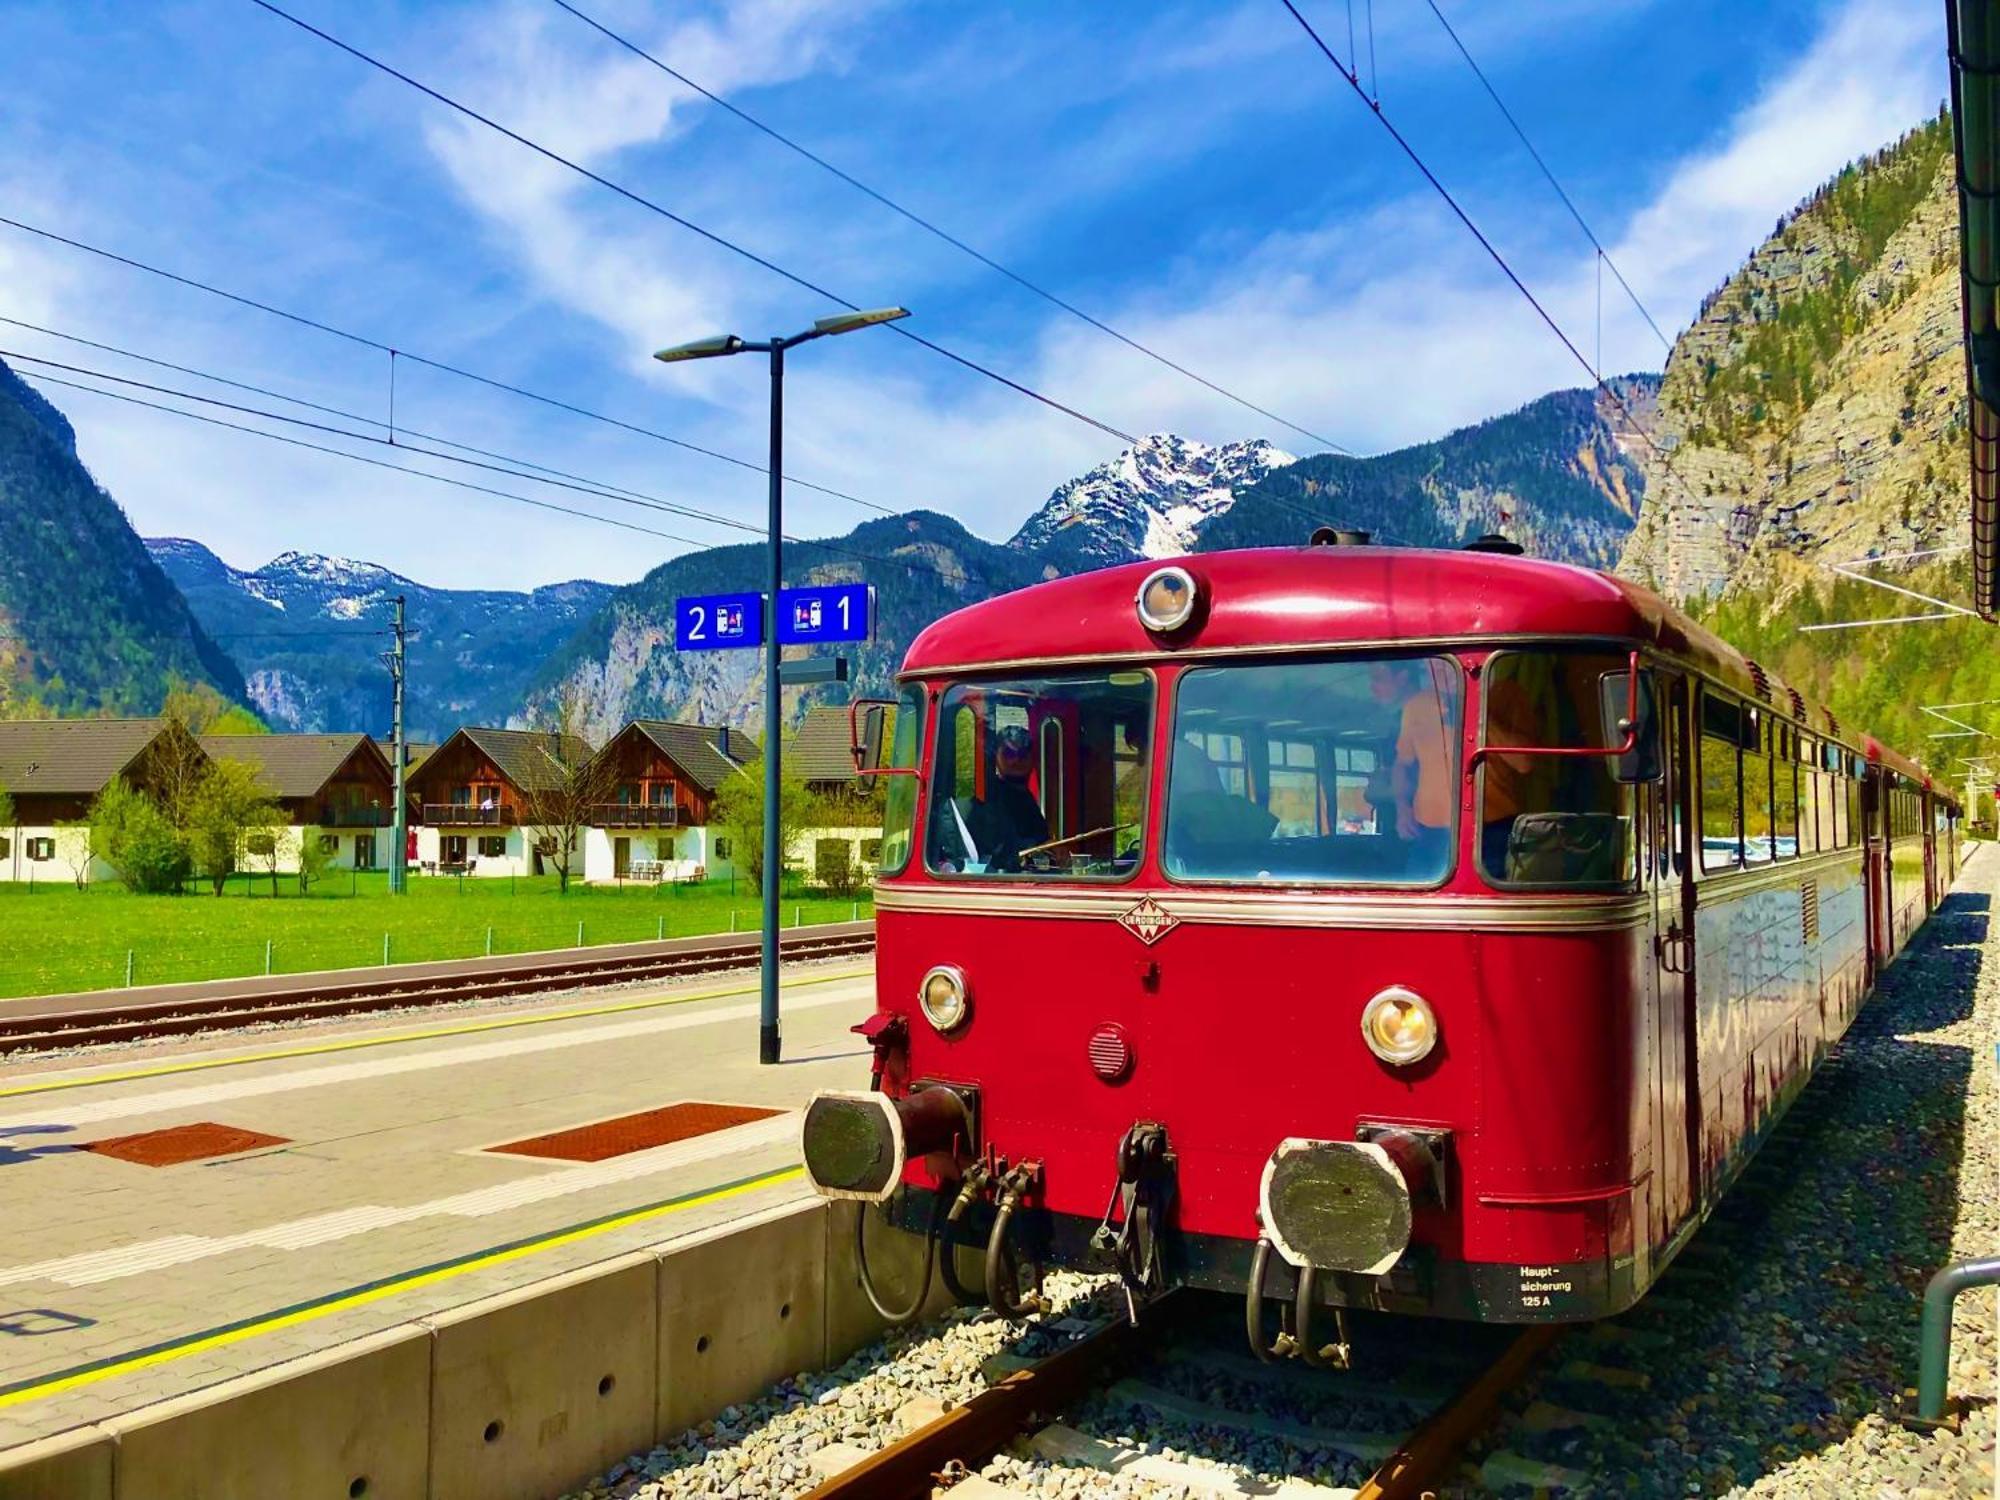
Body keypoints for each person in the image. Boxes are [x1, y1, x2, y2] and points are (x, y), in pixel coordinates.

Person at [1370, 660, 1452, 871]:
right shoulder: (1408, 714)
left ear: (1403, 677)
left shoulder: (1494, 699)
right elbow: (1400, 765)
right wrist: (1402, 806)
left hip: (1443, 826)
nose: (1372, 687)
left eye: (1378, 678)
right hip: (1416, 826)